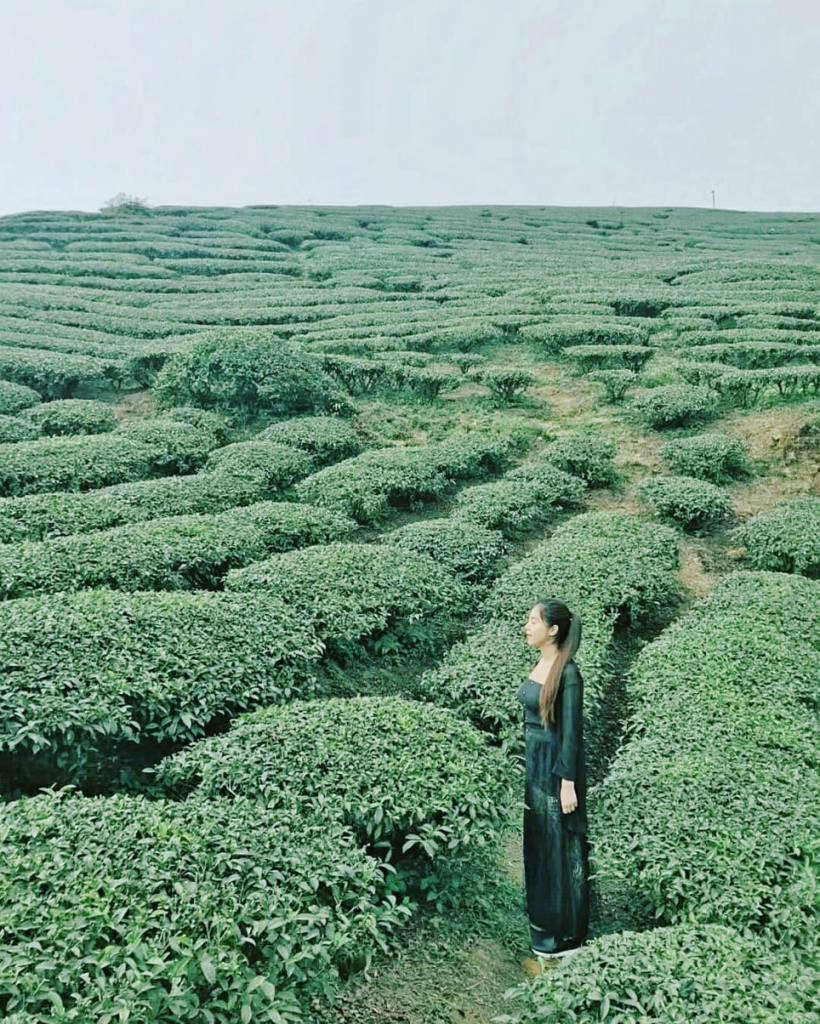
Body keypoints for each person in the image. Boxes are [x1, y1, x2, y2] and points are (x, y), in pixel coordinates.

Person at [517, 598, 590, 959]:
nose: (527, 627)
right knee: (538, 844)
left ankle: (565, 935)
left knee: (558, 846)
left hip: (556, 770)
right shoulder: (542, 660)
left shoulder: (569, 672)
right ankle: (541, 925)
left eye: (533, 622)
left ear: (554, 630)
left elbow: (572, 734)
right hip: (535, 765)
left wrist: (567, 783)